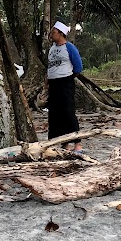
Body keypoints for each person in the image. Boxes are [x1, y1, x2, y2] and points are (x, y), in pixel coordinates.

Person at [46, 20, 84, 152]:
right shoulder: (52, 49)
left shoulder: (69, 48)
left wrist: (67, 77)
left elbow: (78, 67)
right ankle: (62, 142)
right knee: (55, 114)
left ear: (61, 33)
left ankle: (77, 142)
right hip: (53, 83)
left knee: (68, 111)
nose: (52, 34)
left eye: (54, 32)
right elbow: (50, 66)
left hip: (65, 82)